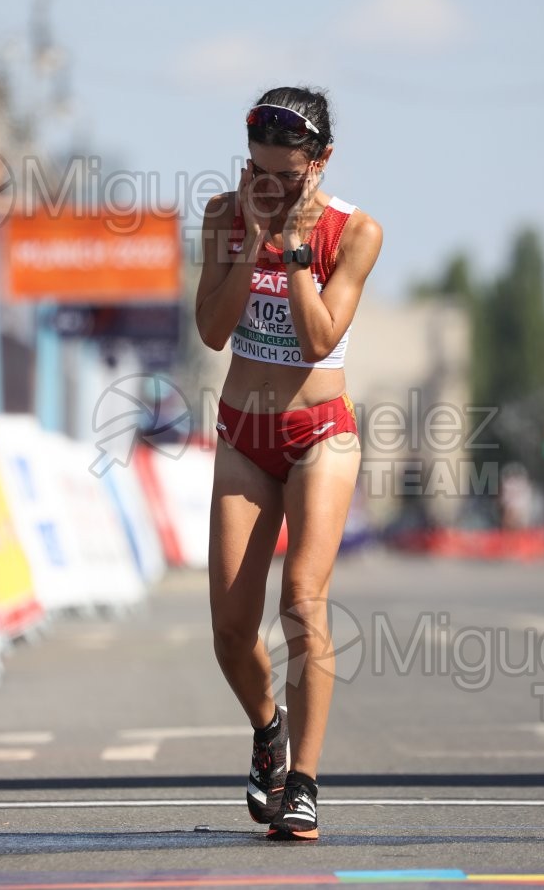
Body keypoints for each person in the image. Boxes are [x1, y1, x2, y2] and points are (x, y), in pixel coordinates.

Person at [195, 86, 382, 841]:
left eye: (286, 178)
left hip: (319, 435)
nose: (268, 189)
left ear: (321, 163)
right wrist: (249, 238)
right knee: (231, 633)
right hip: (245, 433)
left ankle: (303, 782)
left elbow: (315, 340)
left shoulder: (356, 231)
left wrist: (298, 248)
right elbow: (212, 331)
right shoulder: (222, 216)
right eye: (257, 173)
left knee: (301, 601)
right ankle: (266, 730)